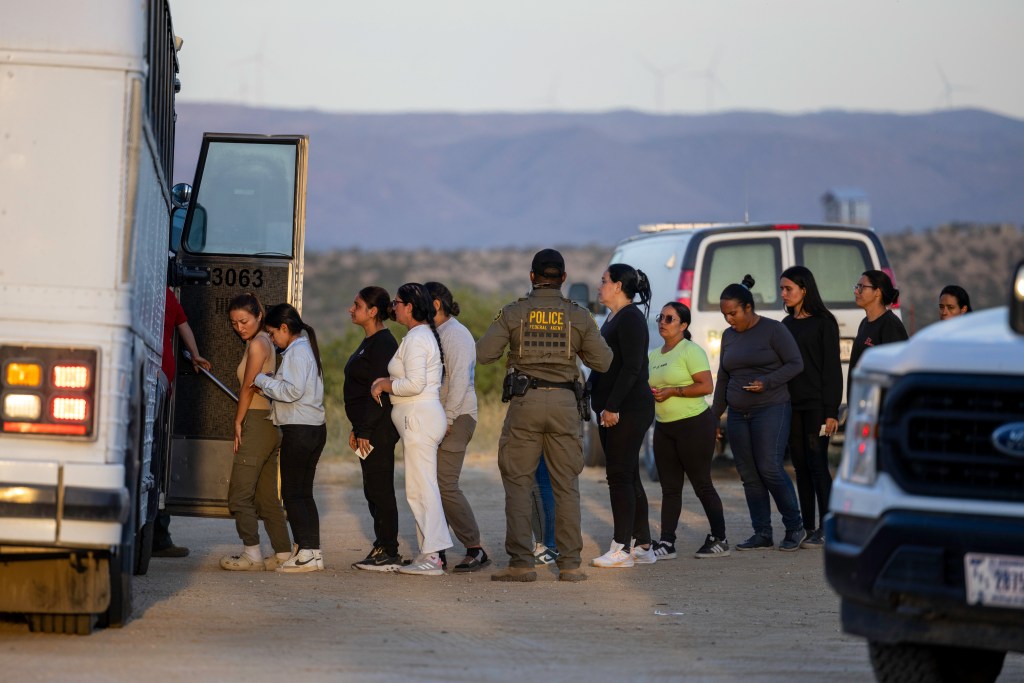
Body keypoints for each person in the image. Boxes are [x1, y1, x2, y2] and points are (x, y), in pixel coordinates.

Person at [477, 249, 613, 582]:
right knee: (566, 485)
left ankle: (522, 564)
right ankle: (569, 565)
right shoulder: (578, 316)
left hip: (526, 404)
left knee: (519, 483)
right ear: (563, 278)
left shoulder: (515, 312)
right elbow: (604, 361)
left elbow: (483, 355)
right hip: (566, 405)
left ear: (533, 276)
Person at [711, 275, 805, 552]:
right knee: (749, 474)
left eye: (733, 313)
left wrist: (768, 382)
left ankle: (794, 526)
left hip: (771, 407)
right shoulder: (728, 336)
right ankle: (762, 532)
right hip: (739, 414)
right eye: (725, 314)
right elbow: (724, 377)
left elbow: (795, 363)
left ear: (748, 308)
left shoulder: (773, 330)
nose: (729, 319)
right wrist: (715, 415)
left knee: (770, 468)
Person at [371, 283, 453, 576]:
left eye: (396, 302)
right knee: (420, 488)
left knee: (421, 489)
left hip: (419, 417)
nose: (393, 307)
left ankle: (432, 557)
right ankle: (428, 553)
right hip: (419, 417)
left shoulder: (418, 338)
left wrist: (385, 384)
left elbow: (415, 384)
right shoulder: (418, 336)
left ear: (409, 306)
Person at [588, 264, 657, 568]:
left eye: (604, 281)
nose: (599, 286)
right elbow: (605, 365)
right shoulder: (614, 318)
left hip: (629, 409)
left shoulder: (631, 318)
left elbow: (632, 368)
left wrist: (613, 406)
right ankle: (643, 545)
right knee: (628, 474)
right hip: (611, 408)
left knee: (618, 476)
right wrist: (588, 388)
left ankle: (621, 550)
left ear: (617, 286)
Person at [219, 294, 294, 571]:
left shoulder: (259, 344)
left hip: (257, 421)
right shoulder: (264, 341)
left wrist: (238, 422)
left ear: (259, 315)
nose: (239, 327)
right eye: (234, 322)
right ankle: (283, 553)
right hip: (269, 423)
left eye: (244, 320)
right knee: (266, 497)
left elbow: (248, 386)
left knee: (239, 494)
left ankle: (252, 554)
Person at [648, 302, 728, 559]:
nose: (662, 321)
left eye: (669, 318)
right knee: (670, 488)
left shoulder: (690, 351)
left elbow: (706, 386)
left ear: (683, 325)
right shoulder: (653, 355)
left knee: (702, 484)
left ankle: (720, 538)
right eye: (661, 316)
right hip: (664, 428)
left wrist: (674, 391)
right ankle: (667, 542)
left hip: (694, 425)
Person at [252, 304, 327, 573]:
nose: (271, 340)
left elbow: (292, 391)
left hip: (300, 429)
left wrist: (261, 380)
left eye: (272, 334)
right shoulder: (306, 349)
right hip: (314, 428)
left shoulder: (296, 352)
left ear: (285, 328)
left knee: (292, 493)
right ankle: (312, 552)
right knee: (304, 493)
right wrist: (274, 380)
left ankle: (306, 552)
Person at [424, 282, 491, 573]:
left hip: (458, 416)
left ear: (436, 304)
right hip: (442, 415)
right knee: (433, 485)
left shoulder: (457, 334)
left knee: (445, 484)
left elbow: (460, 380)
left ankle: (475, 548)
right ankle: (437, 549)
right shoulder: (436, 333)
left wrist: (448, 419)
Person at [780, 267, 842, 550]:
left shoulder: (824, 323)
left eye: (788, 288)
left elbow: (832, 370)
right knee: (800, 466)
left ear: (804, 289)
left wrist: (831, 411)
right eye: (782, 289)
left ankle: (828, 526)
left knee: (818, 464)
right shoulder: (785, 324)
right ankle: (806, 527)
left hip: (818, 405)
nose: (784, 294)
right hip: (792, 406)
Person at [345, 287, 405, 572]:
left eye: (356, 305)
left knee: (380, 488)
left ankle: (389, 550)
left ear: (372, 312)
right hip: (366, 428)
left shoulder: (383, 343)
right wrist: (357, 428)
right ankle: (382, 545)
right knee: (372, 488)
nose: (351, 309)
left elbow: (378, 394)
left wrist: (365, 430)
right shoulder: (369, 341)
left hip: (378, 430)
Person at [153, 287, 211, 558]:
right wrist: (195, 353)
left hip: (156, 382)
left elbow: (182, 323)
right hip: (159, 382)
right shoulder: (165, 292)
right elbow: (183, 326)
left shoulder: (146, 285)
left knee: (153, 459)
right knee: (157, 461)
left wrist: (196, 354)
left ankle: (157, 534)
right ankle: (158, 536)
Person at [849, 270, 908, 403]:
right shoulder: (864, 323)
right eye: (856, 287)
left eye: (861, 287)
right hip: (861, 403)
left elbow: (896, 372)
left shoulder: (890, 325)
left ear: (877, 291)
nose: (856, 291)